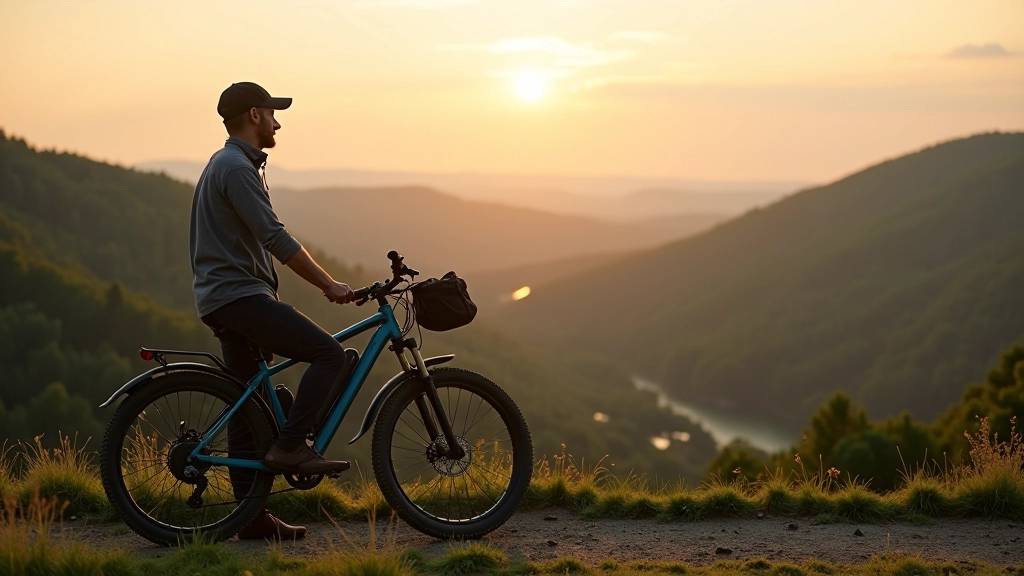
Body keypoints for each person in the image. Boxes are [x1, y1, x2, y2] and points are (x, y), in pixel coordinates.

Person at [189, 82, 353, 540]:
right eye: (273, 113)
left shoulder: (228, 164)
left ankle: (252, 520)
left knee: (250, 409)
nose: (279, 121)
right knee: (329, 354)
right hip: (239, 297)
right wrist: (329, 284)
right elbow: (275, 238)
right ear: (254, 116)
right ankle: (291, 446)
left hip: (224, 297)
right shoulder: (236, 167)